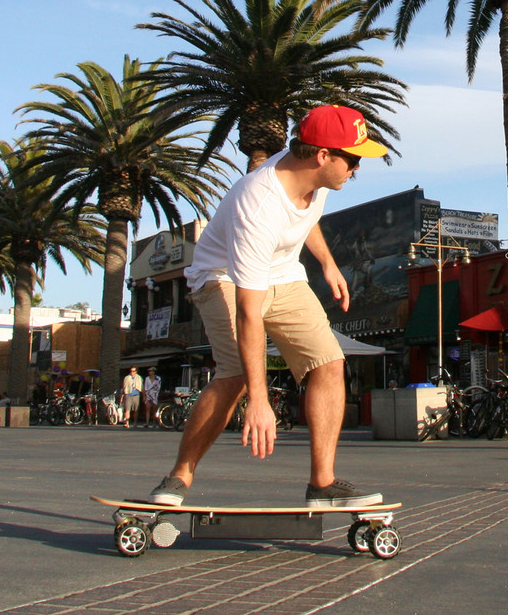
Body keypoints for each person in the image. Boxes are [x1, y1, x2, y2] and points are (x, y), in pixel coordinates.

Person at [147, 104, 388, 508]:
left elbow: (305, 216)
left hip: (283, 274)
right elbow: (248, 311)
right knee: (236, 374)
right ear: (323, 156)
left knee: (328, 362)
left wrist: (328, 263)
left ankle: (322, 485)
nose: (356, 169)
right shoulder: (257, 205)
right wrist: (258, 401)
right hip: (222, 277)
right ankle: (178, 477)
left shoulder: (316, 176)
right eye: (353, 159)